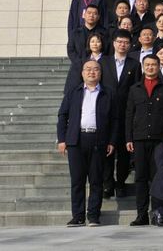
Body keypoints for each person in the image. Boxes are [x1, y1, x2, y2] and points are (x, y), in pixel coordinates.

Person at [57, 60, 117, 227]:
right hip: (76, 140)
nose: (92, 72)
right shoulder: (73, 92)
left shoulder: (108, 93)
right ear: (82, 73)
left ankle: (93, 216)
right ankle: (78, 216)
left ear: (100, 73)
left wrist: (112, 141)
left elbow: (115, 120)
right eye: (88, 69)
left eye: (96, 69)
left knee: (96, 181)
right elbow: (62, 116)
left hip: (98, 140)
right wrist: (62, 139)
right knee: (77, 180)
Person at [125, 54, 163, 226]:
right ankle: (141, 215)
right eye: (147, 64)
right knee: (140, 178)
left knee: (159, 177)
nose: (150, 67)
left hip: (159, 141)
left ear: (158, 66)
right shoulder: (134, 89)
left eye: (153, 64)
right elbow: (129, 114)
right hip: (139, 139)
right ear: (143, 67)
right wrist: (128, 138)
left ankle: (158, 213)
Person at [99, 30, 140, 199]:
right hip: (106, 112)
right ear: (114, 43)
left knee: (124, 151)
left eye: (126, 42)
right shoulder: (103, 62)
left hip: (125, 113)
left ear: (130, 45)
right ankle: (107, 183)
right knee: (106, 150)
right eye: (120, 42)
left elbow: (136, 88)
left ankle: (121, 183)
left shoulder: (135, 65)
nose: (122, 45)